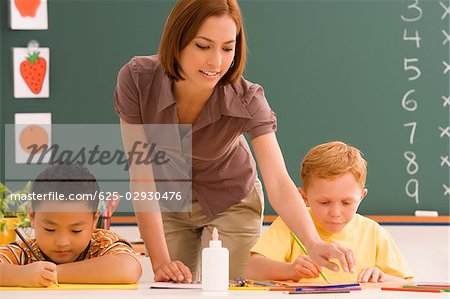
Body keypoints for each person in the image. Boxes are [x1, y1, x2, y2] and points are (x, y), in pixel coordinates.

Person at [114, 0, 354, 282]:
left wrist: (314, 243)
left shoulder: (248, 98)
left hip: (231, 199)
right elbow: (141, 174)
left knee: (230, 283)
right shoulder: (137, 79)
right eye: (203, 46)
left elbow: (277, 181)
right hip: (169, 202)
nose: (216, 62)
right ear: (176, 41)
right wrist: (161, 261)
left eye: (228, 48)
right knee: (172, 283)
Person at [245, 141, 414, 283]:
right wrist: (290, 270)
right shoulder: (289, 223)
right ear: (303, 197)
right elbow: (251, 270)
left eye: (347, 202)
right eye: (324, 202)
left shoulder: (373, 233)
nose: (335, 212)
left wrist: (383, 278)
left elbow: (409, 285)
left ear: (361, 196)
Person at [0, 164, 142, 287]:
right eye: (50, 229)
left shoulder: (102, 244)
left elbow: (128, 268)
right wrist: (20, 276)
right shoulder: (24, 252)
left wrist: (52, 274)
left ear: (94, 220)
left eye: (76, 230)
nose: (62, 242)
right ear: (32, 216)